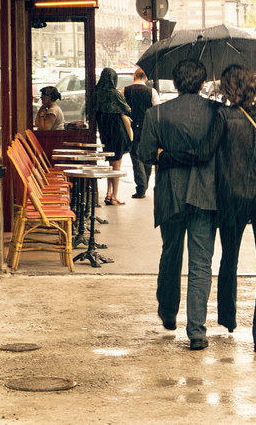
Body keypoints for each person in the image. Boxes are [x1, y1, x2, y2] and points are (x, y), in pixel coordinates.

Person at [160, 64, 256, 354]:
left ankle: (229, 318)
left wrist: (166, 155)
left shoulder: (223, 116)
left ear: (227, 88)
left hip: (233, 199)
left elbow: (203, 154)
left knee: (228, 258)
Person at [138, 59, 221, 350]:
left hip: (170, 194)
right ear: (202, 84)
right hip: (206, 196)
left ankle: (168, 311)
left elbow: (145, 153)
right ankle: (197, 330)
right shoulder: (216, 112)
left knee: (170, 253)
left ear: (175, 84)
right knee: (201, 263)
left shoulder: (157, 114)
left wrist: (163, 153)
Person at [90, 68, 133, 205]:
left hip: (104, 131)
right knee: (117, 164)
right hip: (117, 130)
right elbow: (127, 109)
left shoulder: (95, 93)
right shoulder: (115, 94)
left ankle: (108, 194)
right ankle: (114, 196)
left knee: (111, 163)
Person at [124, 68, 161, 200]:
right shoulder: (152, 91)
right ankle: (144, 184)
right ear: (145, 78)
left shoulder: (125, 90)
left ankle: (141, 187)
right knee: (146, 156)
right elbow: (157, 110)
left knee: (135, 157)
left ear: (134, 76)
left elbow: (123, 109)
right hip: (147, 128)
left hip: (132, 128)